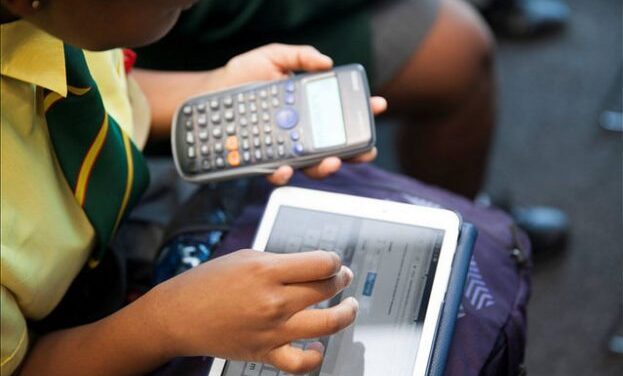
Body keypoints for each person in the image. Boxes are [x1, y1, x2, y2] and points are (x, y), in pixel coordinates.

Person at [0, 0, 389, 374]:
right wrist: (169, 321)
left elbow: (90, 92)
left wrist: (213, 85)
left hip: (130, 215)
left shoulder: (68, 18)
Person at [136, 0, 496, 199]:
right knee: (456, 49)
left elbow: (109, 80)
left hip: (140, 74)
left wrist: (214, 85)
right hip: (192, 41)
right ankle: (471, 231)